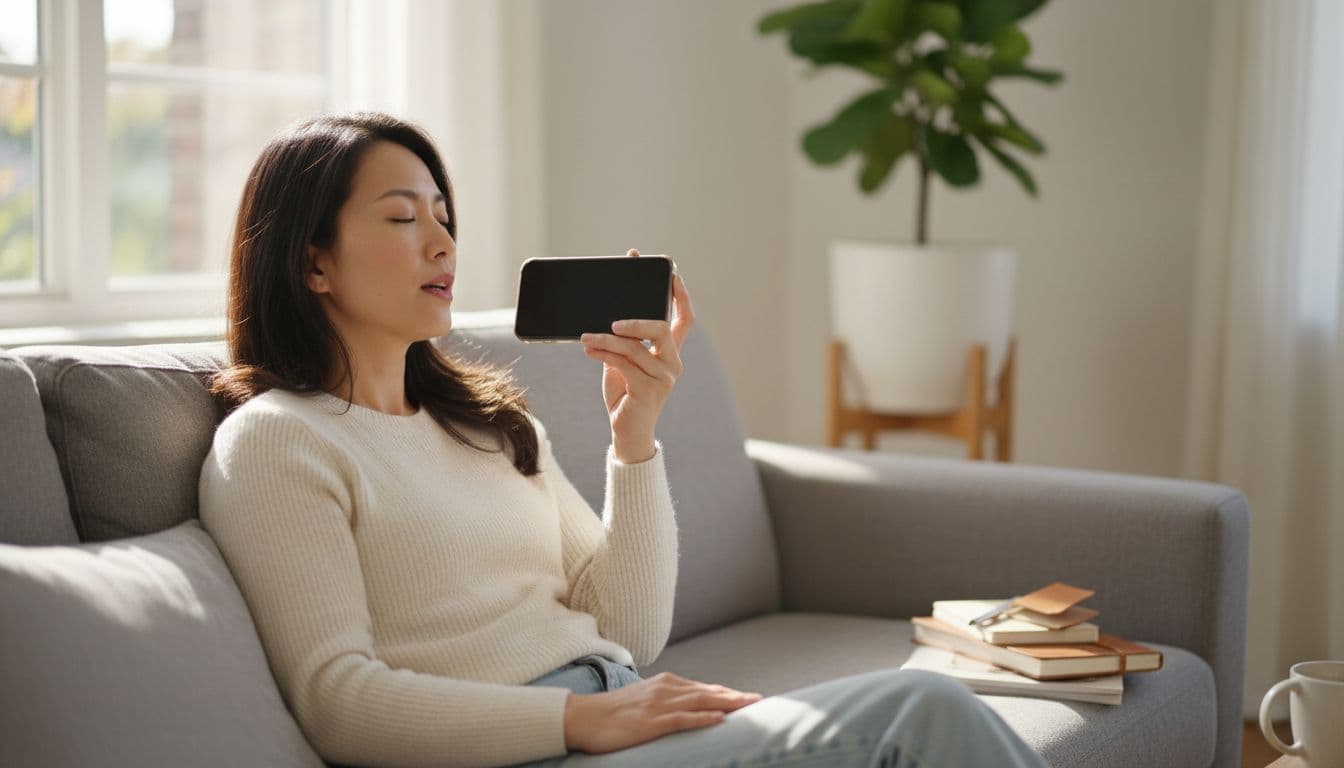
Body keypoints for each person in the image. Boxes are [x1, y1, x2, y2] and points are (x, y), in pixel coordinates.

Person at [198, 111, 1050, 768]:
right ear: (313, 264)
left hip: (621, 711)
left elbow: (628, 630)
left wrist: (634, 440)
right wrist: (580, 717)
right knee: (926, 716)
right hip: (539, 746)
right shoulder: (281, 443)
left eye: (444, 215)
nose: (442, 240)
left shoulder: (492, 429)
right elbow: (337, 698)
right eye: (400, 218)